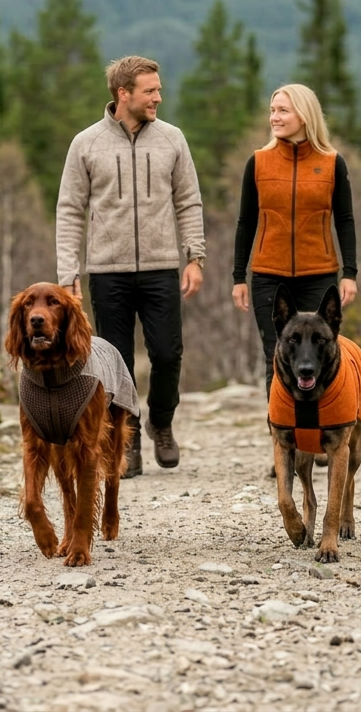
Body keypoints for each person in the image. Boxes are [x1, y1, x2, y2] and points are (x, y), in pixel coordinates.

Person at [56, 55, 206, 478]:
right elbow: (69, 210)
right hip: (107, 271)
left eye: (158, 89)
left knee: (167, 352)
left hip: (161, 267)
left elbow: (188, 200)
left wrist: (194, 257)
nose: (159, 96)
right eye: (150, 90)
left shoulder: (173, 139)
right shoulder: (85, 144)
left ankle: (162, 420)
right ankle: (130, 437)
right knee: (115, 362)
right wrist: (69, 276)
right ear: (124, 94)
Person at [231, 83, 358, 394]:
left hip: (319, 276)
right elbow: (246, 222)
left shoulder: (331, 163)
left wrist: (349, 273)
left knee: (318, 356)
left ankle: (319, 433)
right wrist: (239, 277)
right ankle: (282, 437)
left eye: (282, 110)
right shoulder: (258, 162)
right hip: (268, 278)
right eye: (272, 110)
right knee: (274, 355)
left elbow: (345, 220)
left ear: (304, 115)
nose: (274, 117)